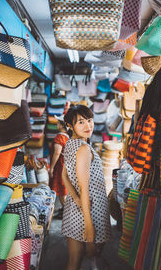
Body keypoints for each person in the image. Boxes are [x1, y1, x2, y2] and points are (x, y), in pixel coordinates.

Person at [61, 105, 111, 270]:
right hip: (91, 211)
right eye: (81, 122)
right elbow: (84, 188)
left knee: (73, 261)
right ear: (70, 126)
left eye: (89, 120)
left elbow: (64, 176)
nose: (88, 126)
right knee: (92, 257)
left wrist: (74, 198)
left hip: (75, 207)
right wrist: (89, 227)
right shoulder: (83, 149)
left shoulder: (70, 144)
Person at [49, 115, 69, 219]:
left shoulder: (60, 137)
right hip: (66, 165)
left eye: (58, 122)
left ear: (62, 125)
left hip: (61, 166)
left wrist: (51, 168)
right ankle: (65, 210)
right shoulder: (67, 136)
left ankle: (68, 214)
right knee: (64, 189)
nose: (56, 124)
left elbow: (57, 153)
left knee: (62, 191)